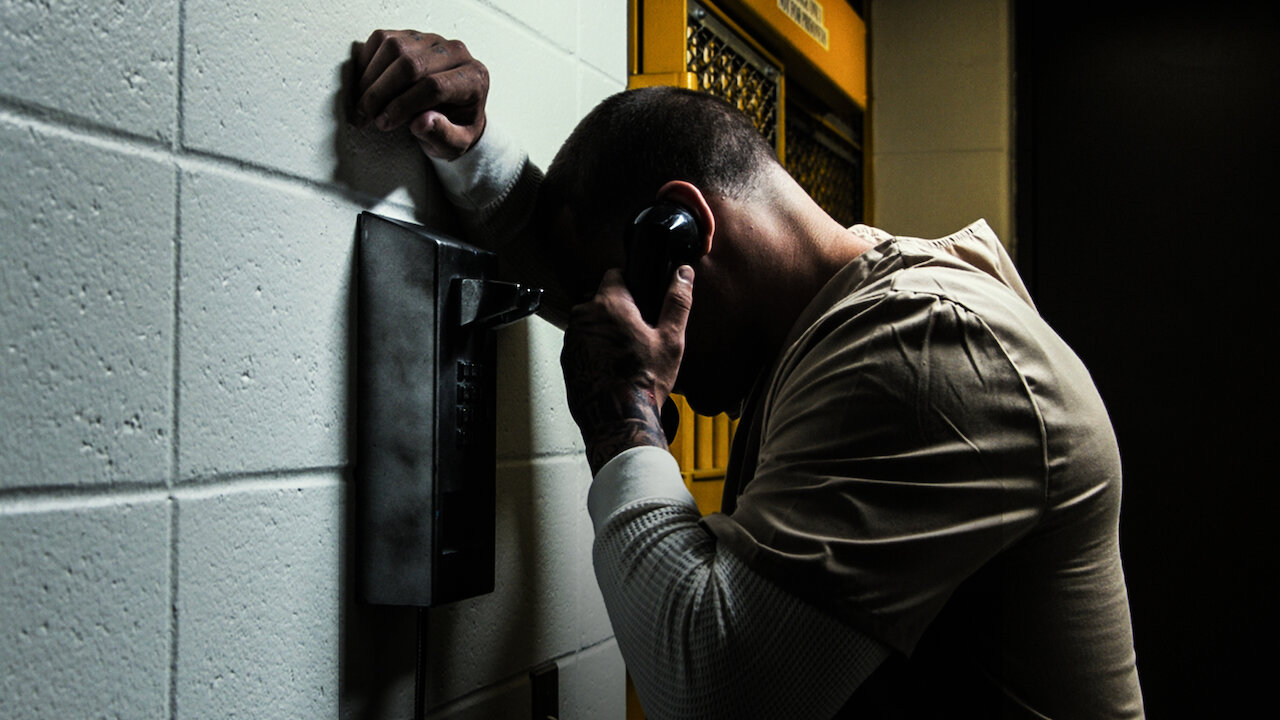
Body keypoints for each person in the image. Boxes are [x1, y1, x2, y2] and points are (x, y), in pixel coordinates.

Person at [351, 30, 1145, 719]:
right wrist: (465, 145)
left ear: (685, 233)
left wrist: (623, 414)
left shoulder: (922, 349)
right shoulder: (856, 309)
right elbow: (597, 298)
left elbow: (709, 697)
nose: (669, 365)